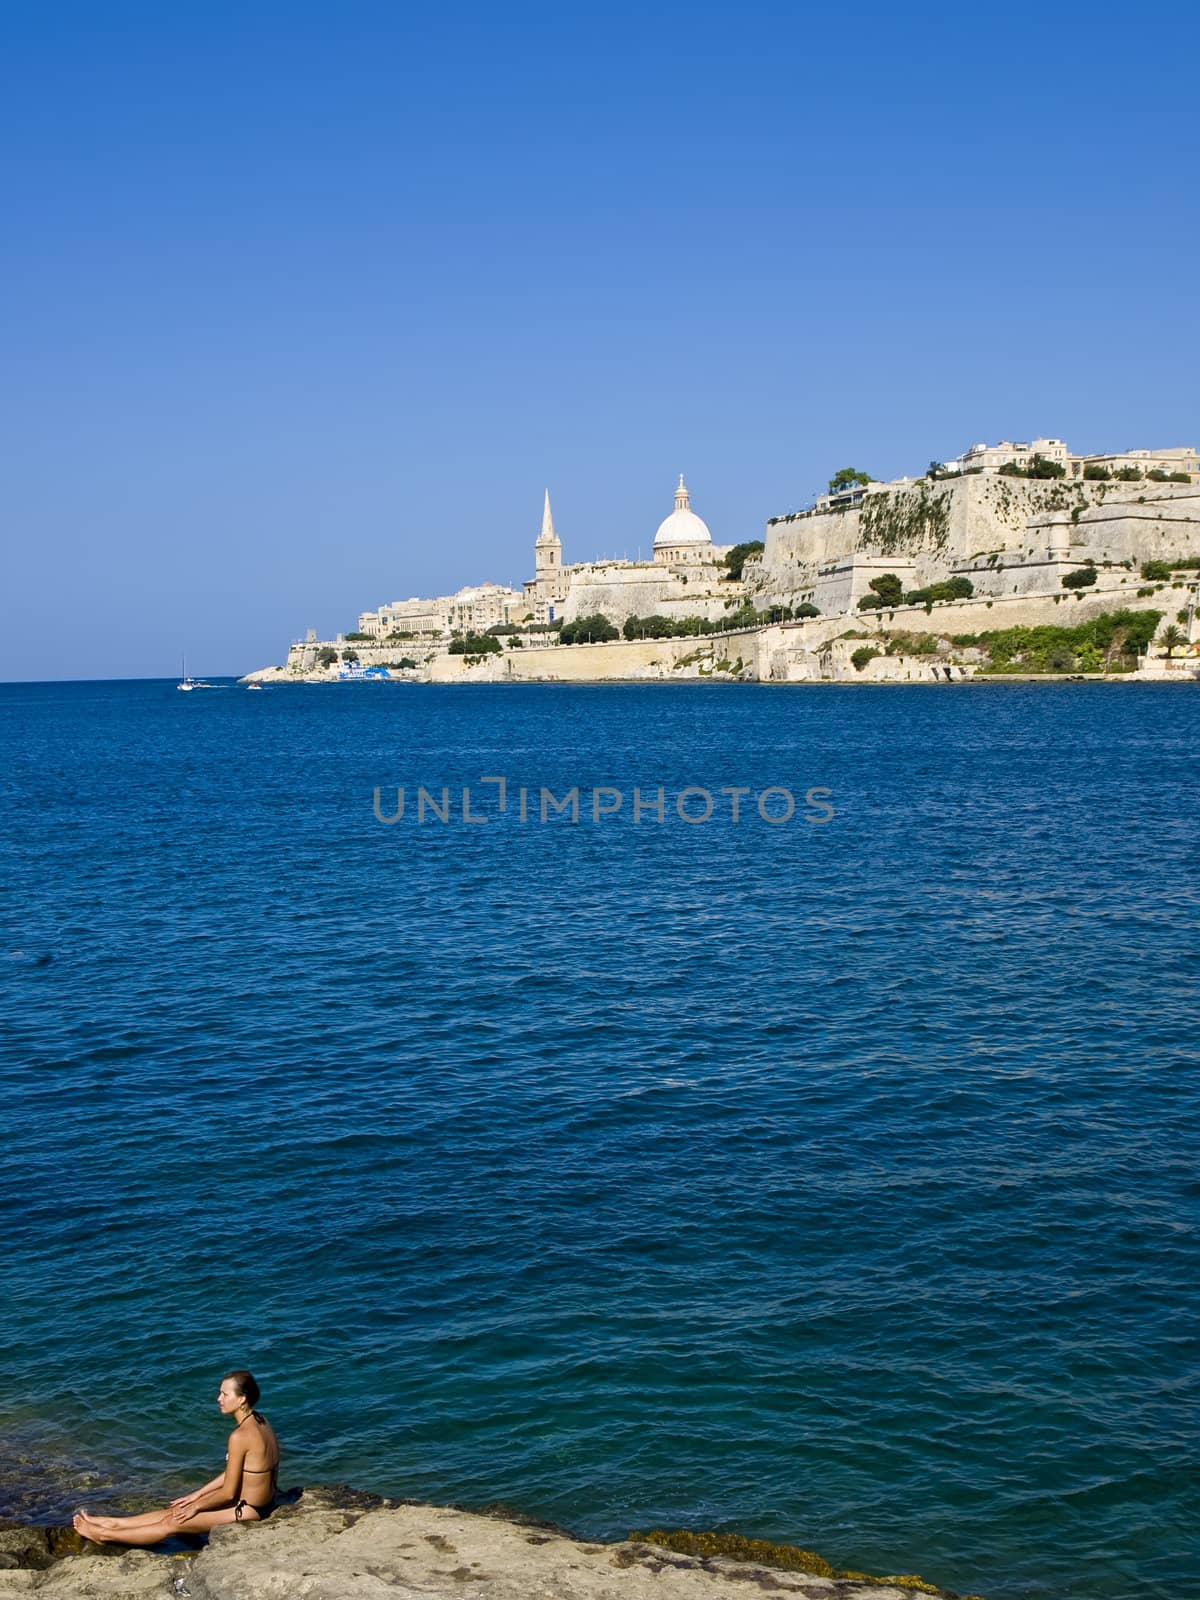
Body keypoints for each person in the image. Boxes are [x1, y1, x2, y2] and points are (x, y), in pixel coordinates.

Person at [73, 1370, 280, 1546]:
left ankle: (103, 1534)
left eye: (225, 1394)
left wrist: (197, 1506)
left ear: (242, 1398)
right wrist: (196, 1496)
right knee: (176, 1510)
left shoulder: (239, 1436)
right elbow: (237, 1472)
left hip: (247, 1511)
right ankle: (111, 1523)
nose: (219, 1398)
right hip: (257, 1503)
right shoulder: (260, 1420)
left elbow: (227, 1492)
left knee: (172, 1523)